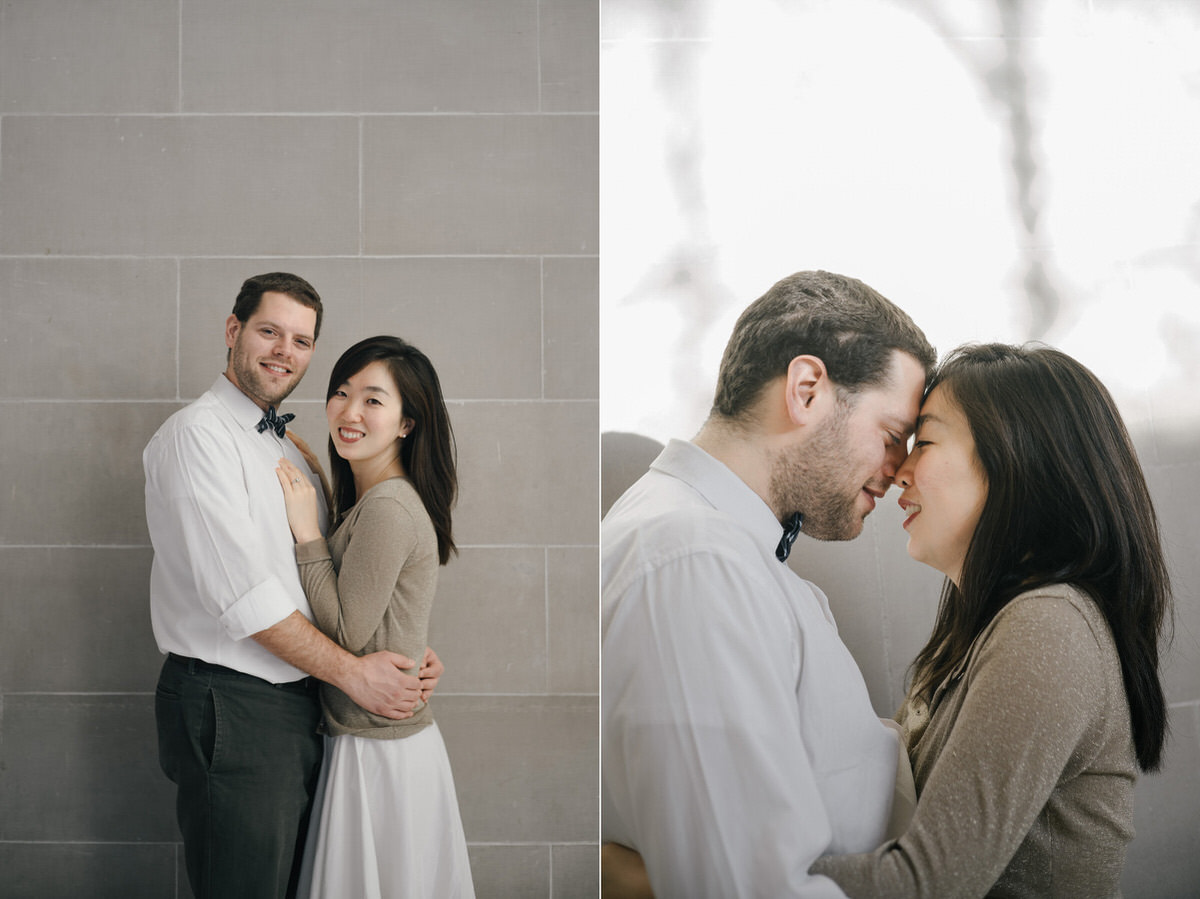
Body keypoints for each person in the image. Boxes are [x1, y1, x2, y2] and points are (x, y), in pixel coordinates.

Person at [602, 270, 937, 897]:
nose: (898, 474)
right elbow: (742, 887)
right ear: (807, 389)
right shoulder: (694, 562)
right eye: (892, 437)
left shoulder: (718, 551)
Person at [809, 343, 1172, 896]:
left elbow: (925, 884)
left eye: (924, 442)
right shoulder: (990, 626)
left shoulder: (1049, 626)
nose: (899, 470)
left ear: (1015, 461)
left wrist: (671, 879)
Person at [145, 273, 443, 899]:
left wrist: (401, 645)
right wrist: (355, 674)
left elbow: (336, 581)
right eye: (269, 331)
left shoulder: (289, 445)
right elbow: (243, 601)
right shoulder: (198, 437)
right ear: (233, 332)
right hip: (233, 703)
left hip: (298, 704)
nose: (285, 351)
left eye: (301, 340)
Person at [275, 335, 474, 897]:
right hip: (374, 738)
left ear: (408, 423)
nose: (349, 410)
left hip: (376, 751)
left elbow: (345, 631)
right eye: (340, 392)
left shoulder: (387, 505)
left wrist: (307, 530)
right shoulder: (374, 501)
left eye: (373, 399)